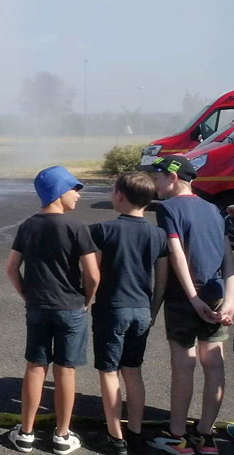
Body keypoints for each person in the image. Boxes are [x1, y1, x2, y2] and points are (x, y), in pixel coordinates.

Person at [138, 155, 234, 455]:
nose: (155, 184)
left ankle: (177, 434)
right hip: (217, 292)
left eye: (157, 178)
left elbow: (176, 252)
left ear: (173, 177)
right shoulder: (213, 209)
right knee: (214, 364)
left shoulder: (167, 208)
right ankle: (206, 435)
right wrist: (231, 299)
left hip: (184, 297)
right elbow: (227, 255)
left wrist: (192, 297)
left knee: (183, 365)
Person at [6, 166, 100, 455]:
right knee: (65, 371)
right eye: (74, 189)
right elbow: (93, 274)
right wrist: (87, 299)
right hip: (71, 308)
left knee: (35, 367)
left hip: (38, 306)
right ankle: (62, 435)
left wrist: (26, 294)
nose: (78, 195)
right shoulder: (77, 227)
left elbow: (11, 268)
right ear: (59, 193)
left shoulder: (28, 226)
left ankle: (26, 433)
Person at [88, 171, 168, 455]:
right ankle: (134, 431)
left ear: (120, 195)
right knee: (133, 371)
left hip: (112, 308)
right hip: (142, 310)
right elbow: (162, 278)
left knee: (109, 372)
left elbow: (93, 273)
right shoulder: (158, 235)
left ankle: (115, 436)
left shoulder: (103, 230)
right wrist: (153, 310)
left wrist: (86, 299)